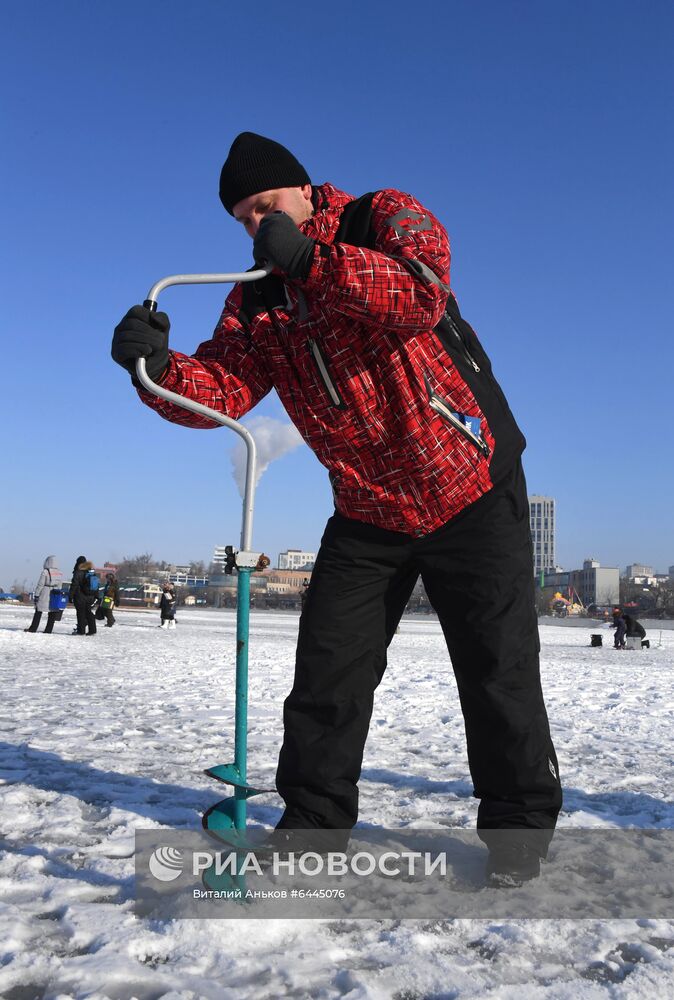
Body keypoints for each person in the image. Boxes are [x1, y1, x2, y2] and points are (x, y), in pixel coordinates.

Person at [111, 131, 562, 883]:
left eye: (264, 207)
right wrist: (155, 370)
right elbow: (223, 392)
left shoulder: (382, 216)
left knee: (497, 671)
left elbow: (419, 292)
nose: (256, 227)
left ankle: (518, 834)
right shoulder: (255, 297)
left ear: (302, 188)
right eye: (241, 219)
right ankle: (313, 824)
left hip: (470, 486)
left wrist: (311, 261)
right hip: (367, 509)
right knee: (328, 675)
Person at [24, 555, 64, 633]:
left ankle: (33, 628)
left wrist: (36, 595)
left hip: (45, 592)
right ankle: (48, 630)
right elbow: (60, 585)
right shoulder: (60, 573)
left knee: (38, 610)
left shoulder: (45, 572)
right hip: (55, 593)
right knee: (52, 611)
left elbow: (40, 585)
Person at [69, 556, 98, 636]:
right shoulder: (91, 572)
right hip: (90, 596)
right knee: (88, 612)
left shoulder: (78, 572)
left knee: (80, 613)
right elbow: (96, 585)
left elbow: (74, 585)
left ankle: (81, 631)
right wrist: (96, 596)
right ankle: (92, 630)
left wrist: (70, 595)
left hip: (80, 596)